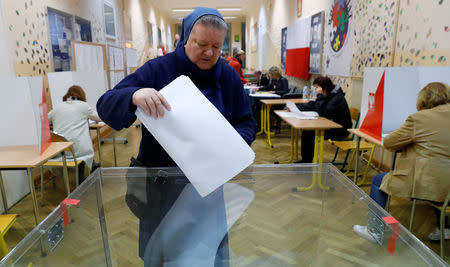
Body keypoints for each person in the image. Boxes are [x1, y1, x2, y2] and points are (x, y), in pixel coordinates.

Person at [96, 7, 256, 264]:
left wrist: (231, 147)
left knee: (206, 255)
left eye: (216, 46)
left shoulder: (227, 75)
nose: (209, 52)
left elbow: (246, 123)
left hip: (208, 187)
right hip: (161, 189)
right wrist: (133, 96)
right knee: (161, 256)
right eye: (201, 44)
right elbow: (105, 104)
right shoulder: (158, 69)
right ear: (184, 39)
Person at [353, 82, 450, 242]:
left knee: (378, 180)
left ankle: (374, 230)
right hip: (446, 190)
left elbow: (390, 142)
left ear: (424, 100)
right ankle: (445, 228)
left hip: (430, 184)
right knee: (442, 180)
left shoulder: (419, 118)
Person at [291, 76, 351, 162]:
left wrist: (319, 96)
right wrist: (296, 108)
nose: (316, 90)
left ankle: (307, 162)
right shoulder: (329, 94)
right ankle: (306, 160)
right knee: (307, 131)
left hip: (340, 129)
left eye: (317, 87)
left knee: (309, 132)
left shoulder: (336, 97)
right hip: (330, 125)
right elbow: (314, 105)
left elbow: (323, 113)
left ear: (325, 88)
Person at [48, 85, 101, 182]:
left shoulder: (57, 107)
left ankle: (92, 166)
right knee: (82, 140)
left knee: (77, 139)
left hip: (60, 150)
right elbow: (99, 117)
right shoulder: (83, 106)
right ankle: (87, 172)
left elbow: (44, 121)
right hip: (77, 150)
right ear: (81, 95)